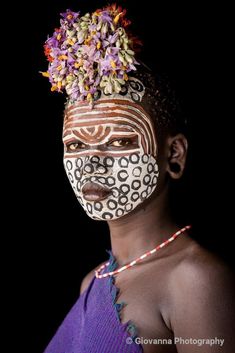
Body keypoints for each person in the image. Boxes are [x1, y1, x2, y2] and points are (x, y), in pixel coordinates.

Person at [41, 4, 235, 353]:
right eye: (75, 144)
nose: (92, 163)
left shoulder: (194, 280)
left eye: (120, 141)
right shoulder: (93, 281)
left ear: (173, 155)